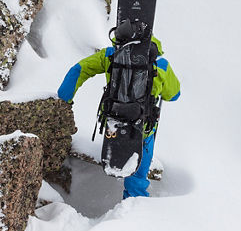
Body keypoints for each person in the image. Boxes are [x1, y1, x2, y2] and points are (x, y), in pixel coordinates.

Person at [57, 33, 180, 199]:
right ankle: (133, 206)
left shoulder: (111, 54)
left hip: (114, 118)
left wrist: (63, 100)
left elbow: (79, 70)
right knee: (138, 169)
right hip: (143, 126)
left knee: (117, 143)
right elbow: (174, 95)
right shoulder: (160, 63)